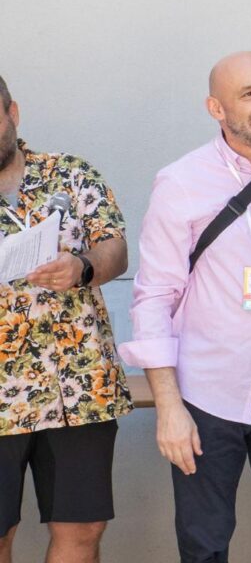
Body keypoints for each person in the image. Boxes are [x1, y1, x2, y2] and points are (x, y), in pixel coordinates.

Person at [121, 52, 251, 562]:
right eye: (250, 94)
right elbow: (154, 295)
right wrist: (169, 408)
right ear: (215, 108)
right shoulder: (181, 180)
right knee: (203, 541)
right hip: (205, 388)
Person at [0, 75, 131, 563]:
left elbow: (115, 247)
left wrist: (83, 267)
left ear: (13, 113)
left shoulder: (71, 174)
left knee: (82, 530)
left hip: (80, 387)